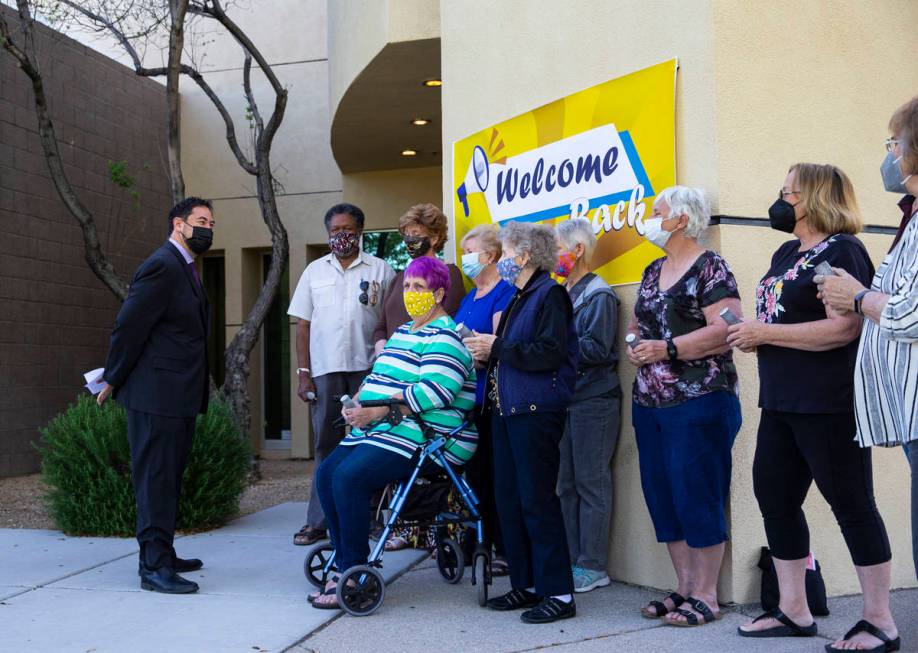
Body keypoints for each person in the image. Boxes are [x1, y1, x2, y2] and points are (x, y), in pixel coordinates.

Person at [730, 163, 898, 651]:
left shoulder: (839, 251)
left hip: (826, 402)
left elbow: (844, 328)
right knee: (775, 499)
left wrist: (766, 333)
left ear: (816, 198)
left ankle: (879, 621)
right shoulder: (787, 251)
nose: (781, 199)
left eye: (790, 192)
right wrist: (755, 335)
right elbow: (781, 320)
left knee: (851, 504)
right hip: (781, 400)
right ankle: (793, 610)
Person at [310, 256, 477, 609]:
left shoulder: (445, 337)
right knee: (327, 474)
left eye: (420, 287)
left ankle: (352, 569)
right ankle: (343, 558)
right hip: (384, 426)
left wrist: (382, 408)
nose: (411, 293)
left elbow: (436, 392)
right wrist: (355, 401)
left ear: (439, 294)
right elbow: (377, 378)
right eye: (408, 286)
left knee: (350, 478)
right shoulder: (404, 333)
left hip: (426, 434)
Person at [817, 99, 918, 650]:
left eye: (896, 144)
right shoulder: (911, 218)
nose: (891, 156)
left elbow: (909, 312)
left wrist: (854, 295)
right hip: (907, 414)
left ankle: (882, 622)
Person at [628, 186, 742, 627]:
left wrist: (668, 349)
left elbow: (726, 328)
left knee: (698, 492)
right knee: (663, 495)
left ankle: (708, 595)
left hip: (699, 400)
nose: (648, 218)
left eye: (655, 212)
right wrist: (638, 346)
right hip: (650, 403)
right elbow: (638, 325)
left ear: (680, 219)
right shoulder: (653, 268)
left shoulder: (711, 267)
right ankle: (684, 586)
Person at [96, 197, 215, 594]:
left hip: (175, 397)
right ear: (178, 225)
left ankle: (164, 550)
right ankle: (153, 567)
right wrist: (112, 376)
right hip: (154, 397)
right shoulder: (161, 266)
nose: (208, 229)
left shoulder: (184, 268)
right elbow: (128, 326)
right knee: (154, 480)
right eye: (201, 221)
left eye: (211, 223)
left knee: (168, 479)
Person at [463, 222, 579, 625]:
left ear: (525, 256)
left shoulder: (551, 294)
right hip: (506, 410)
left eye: (509, 253)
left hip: (535, 410)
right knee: (509, 501)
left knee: (537, 500)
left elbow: (548, 352)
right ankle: (527, 584)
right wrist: (485, 351)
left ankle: (559, 593)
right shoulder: (519, 296)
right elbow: (513, 352)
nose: (505, 260)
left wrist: (497, 346)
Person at [287, 203, 395, 547]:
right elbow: (302, 326)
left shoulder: (382, 270)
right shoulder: (314, 272)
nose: (342, 237)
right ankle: (318, 521)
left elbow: (390, 323)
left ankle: (373, 520)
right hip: (325, 371)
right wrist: (304, 375)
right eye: (335, 231)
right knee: (326, 446)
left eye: (348, 230)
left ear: (360, 232)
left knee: (375, 443)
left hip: (369, 371)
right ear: (328, 234)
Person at [554, 217, 621, 594]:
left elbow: (596, 349)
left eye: (559, 248)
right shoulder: (564, 291)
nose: (554, 257)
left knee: (591, 483)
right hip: (567, 398)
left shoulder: (599, 294)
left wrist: (553, 343)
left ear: (577, 250)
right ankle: (570, 557)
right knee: (565, 484)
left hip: (594, 400)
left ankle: (592, 565)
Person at [454, 224, 515, 575]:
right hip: (466, 402)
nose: (465, 260)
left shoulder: (503, 293)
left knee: (497, 478)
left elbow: (498, 344)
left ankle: (504, 549)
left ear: (490, 256)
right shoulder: (468, 296)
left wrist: (478, 350)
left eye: (470, 252)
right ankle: (481, 542)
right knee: (475, 479)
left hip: (491, 399)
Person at [373, 203, 465, 353]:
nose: (409, 240)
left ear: (434, 238)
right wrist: (382, 350)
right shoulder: (399, 278)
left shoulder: (448, 273)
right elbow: (381, 327)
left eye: (415, 233)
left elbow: (448, 321)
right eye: (406, 235)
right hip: (392, 363)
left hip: (425, 360)